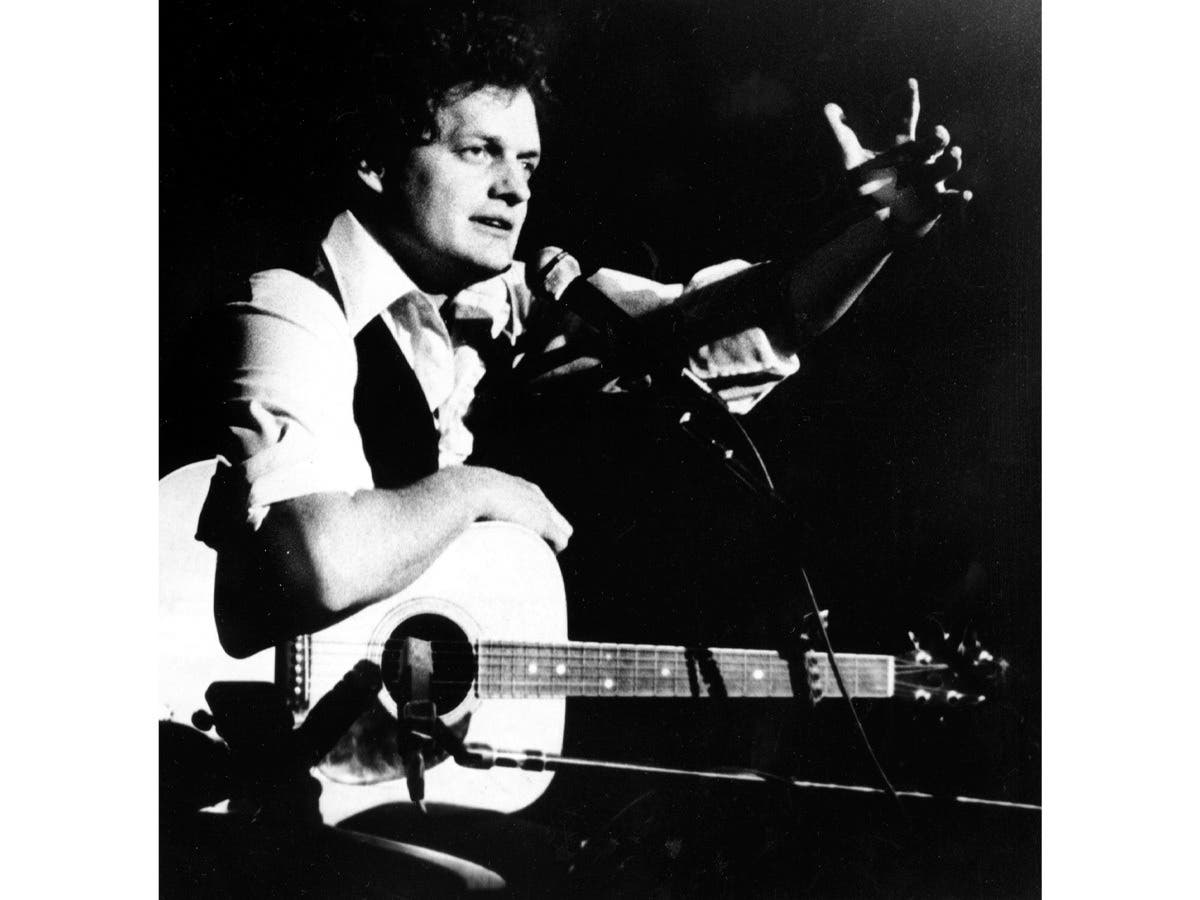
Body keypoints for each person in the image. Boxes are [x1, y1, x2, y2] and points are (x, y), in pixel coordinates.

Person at [196, 9, 968, 664]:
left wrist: (878, 234)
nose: (515, 187)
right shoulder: (289, 301)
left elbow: (708, 332)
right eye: (478, 152)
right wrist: (481, 490)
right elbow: (317, 562)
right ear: (373, 160)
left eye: (528, 162)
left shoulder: (503, 303)